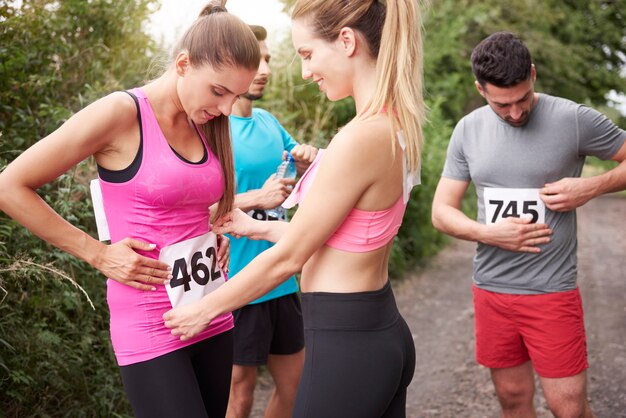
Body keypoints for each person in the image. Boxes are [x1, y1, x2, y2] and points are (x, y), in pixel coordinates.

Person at [163, 0, 424, 416]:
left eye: (307, 54)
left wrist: (204, 310)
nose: (305, 72)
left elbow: (291, 257)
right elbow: (337, 240)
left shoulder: (359, 138)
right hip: (372, 329)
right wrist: (257, 227)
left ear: (346, 41)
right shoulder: (393, 124)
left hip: (348, 342)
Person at [0, 4, 260, 418]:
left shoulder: (205, 121)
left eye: (236, 96)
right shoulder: (121, 114)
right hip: (149, 323)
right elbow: (10, 187)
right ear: (183, 64)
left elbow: (186, 202)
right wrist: (97, 254)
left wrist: (211, 235)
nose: (227, 108)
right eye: (219, 91)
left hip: (210, 310)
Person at [431, 32, 626, 418]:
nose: (516, 113)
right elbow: (441, 212)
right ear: (480, 89)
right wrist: (488, 232)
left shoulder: (573, 118)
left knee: (567, 407)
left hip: (551, 292)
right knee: (514, 401)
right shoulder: (468, 130)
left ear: (532, 74)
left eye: (522, 99)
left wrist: (590, 187)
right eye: (502, 104)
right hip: (492, 292)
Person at [225, 24, 317, 418]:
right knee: (239, 396)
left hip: (281, 277)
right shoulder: (213, 129)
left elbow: (297, 177)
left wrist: (308, 160)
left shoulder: (267, 121)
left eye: (267, 59)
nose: (263, 69)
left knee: (296, 387)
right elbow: (198, 207)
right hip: (238, 282)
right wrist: (255, 198)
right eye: (254, 60)